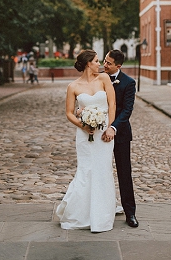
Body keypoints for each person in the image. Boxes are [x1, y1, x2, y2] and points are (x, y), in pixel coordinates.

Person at [55, 49, 117, 233]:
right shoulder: (73, 86)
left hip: (103, 134)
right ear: (88, 63)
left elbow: (112, 104)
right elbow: (68, 113)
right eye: (97, 61)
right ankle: (79, 214)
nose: (100, 64)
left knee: (102, 170)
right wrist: (83, 125)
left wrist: (109, 128)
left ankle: (101, 217)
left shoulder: (104, 79)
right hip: (84, 135)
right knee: (85, 170)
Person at [100, 49, 139, 228]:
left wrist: (113, 128)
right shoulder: (99, 79)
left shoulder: (129, 83)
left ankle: (130, 213)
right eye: (104, 61)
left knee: (124, 173)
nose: (104, 65)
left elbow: (127, 110)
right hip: (100, 134)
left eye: (108, 63)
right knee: (101, 171)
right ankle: (101, 208)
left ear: (118, 65)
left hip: (120, 133)